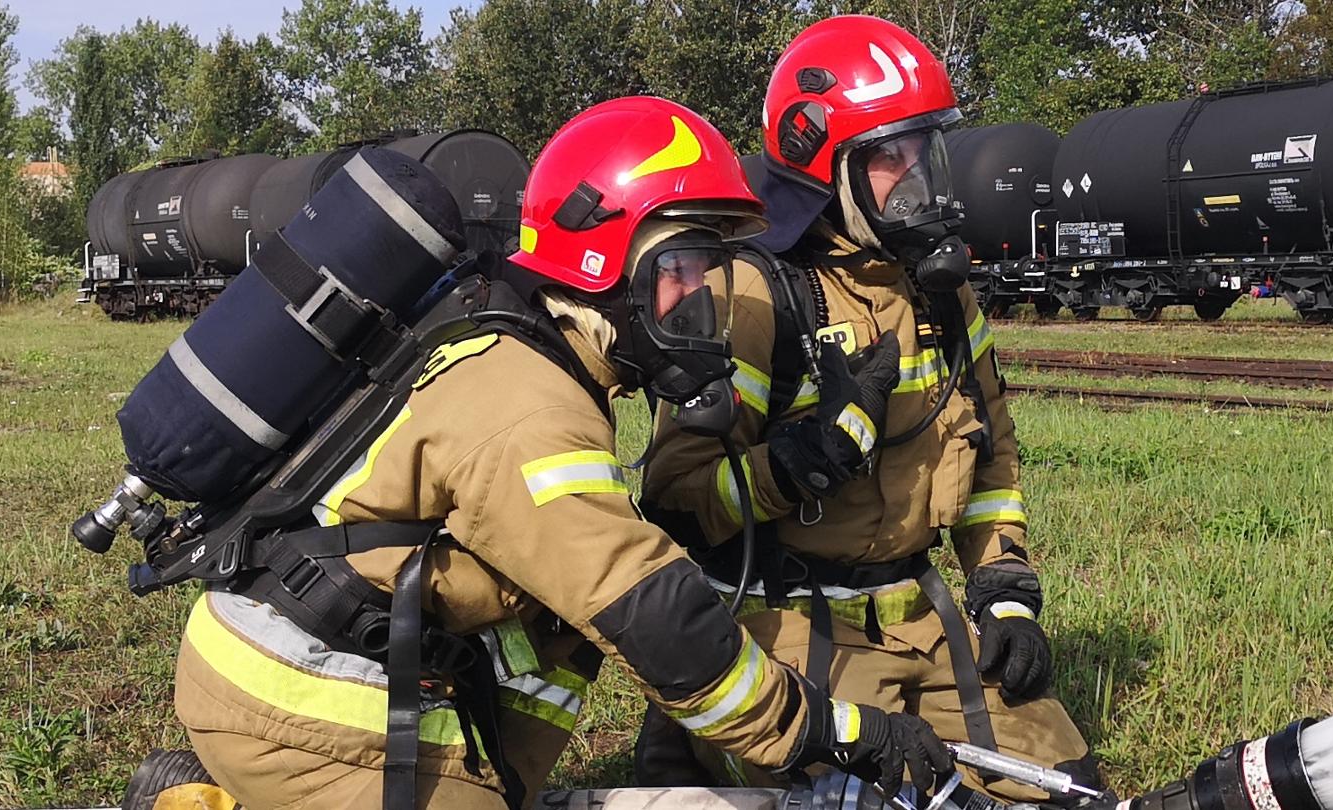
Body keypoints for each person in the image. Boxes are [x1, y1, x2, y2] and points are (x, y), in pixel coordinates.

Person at [131, 97, 952, 810]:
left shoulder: (537, 346)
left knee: (559, 628)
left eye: (709, 268)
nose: (701, 297)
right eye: (678, 267)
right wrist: (835, 730)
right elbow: (658, 618)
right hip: (298, 710)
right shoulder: (529, 409)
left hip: (300, 664)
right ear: (603, 260)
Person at [632, 16, 1102, 805]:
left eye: (926, 150)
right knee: (874, 796)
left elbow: (992, 460)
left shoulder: (942, 293)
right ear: (825, 167)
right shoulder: (756, 295)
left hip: (924, 618)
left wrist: (1008, 595)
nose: (918, 176)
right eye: (889, 156)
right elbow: (677, 498)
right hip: (792, 623)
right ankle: (687, 734)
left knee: (1070, 787)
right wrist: (793, 464)